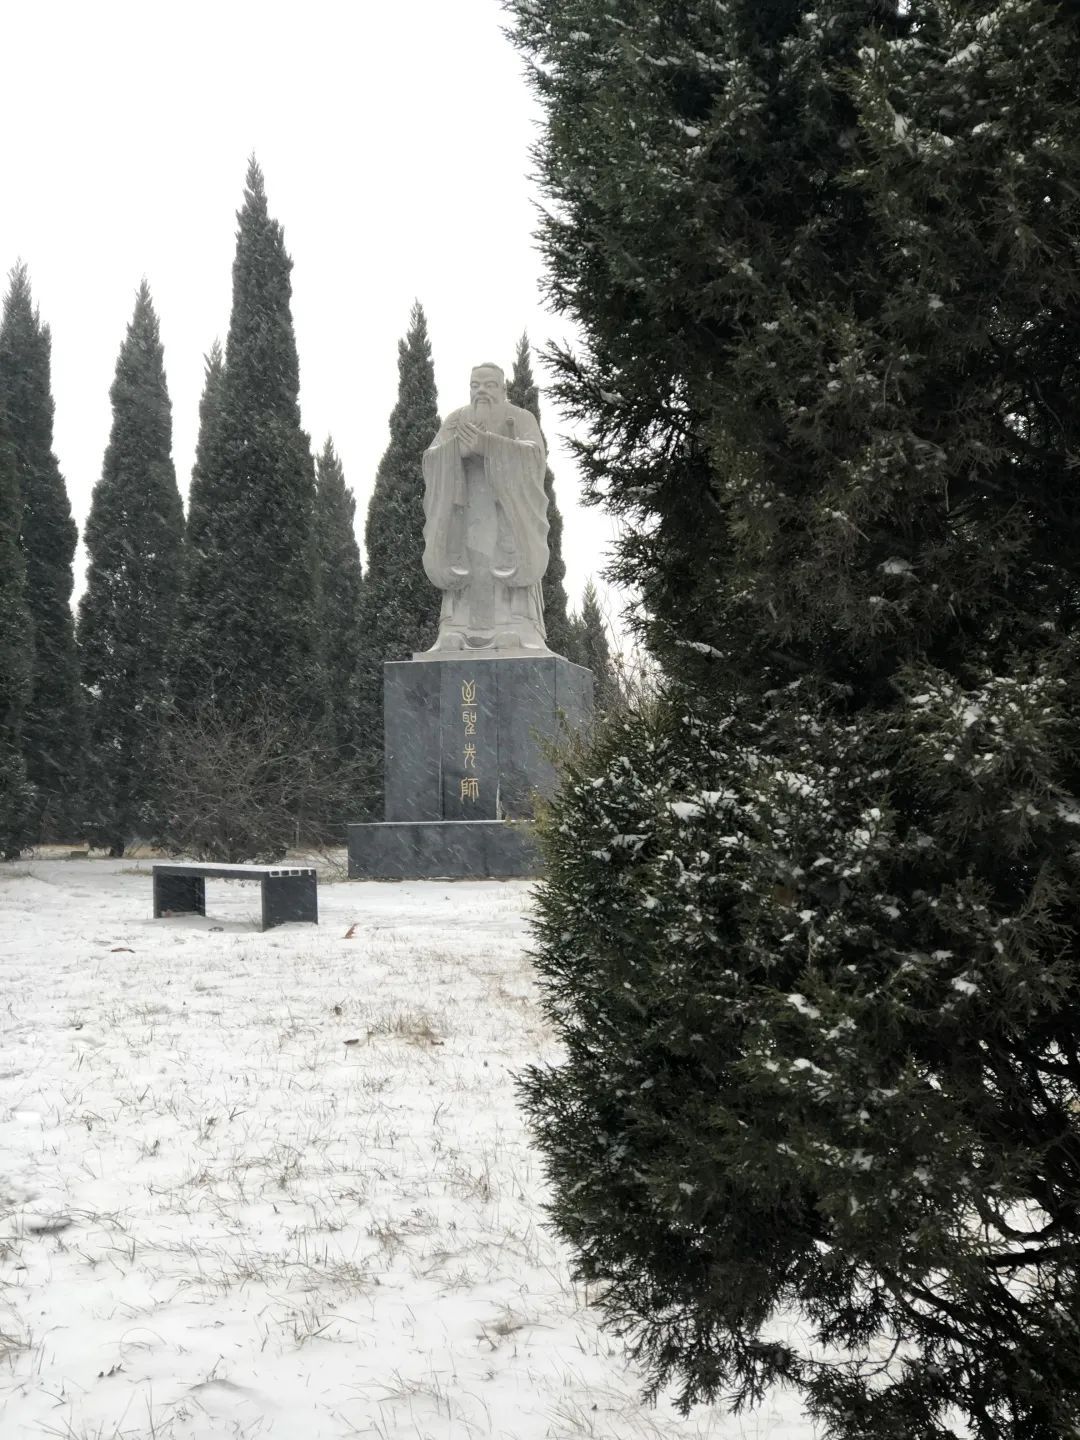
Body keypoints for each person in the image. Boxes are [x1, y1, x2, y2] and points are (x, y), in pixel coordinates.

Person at [420, 363, 550, 654]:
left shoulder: (520, 418)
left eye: (490, 385)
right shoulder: (456, 420)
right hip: (467, 517)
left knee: (506, 567)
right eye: (475, 384)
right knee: (465, 567)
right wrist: (456, 452)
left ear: (503, 389)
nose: (481, 390)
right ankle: (457, 630)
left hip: (507, 518)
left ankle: (516, 628)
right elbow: (430, 460)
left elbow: (534, 457)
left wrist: (488, 445)